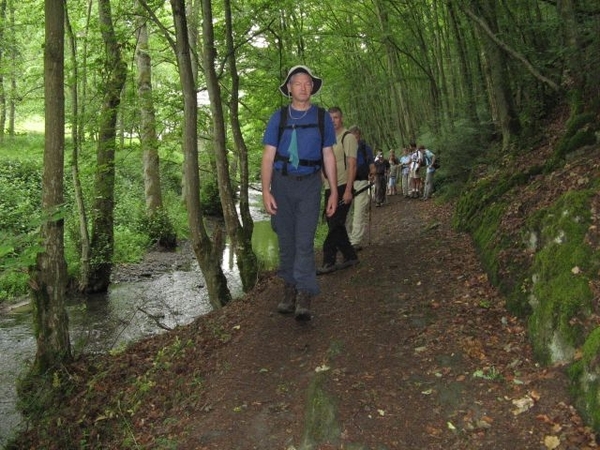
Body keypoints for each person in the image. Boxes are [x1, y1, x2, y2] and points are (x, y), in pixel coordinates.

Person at [261, 65, 338, 321]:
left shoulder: (322, 117)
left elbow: (328, 155)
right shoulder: (278, 118)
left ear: (312, 88)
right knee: (287, 242)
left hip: (310, 185)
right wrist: (265, 191)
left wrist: (334, 192)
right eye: (298, 83)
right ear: (289, 88)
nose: (303, 87)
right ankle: (289, 288)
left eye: (307, 83)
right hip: (282, 185)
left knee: (304, 242)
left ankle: (305, 292)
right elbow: (268, 156)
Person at [317, 106, 359, 275]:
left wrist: (349, 190)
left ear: (341, 118)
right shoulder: (325, 139)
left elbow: (352, 165)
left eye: (336, 117)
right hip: (330, 187)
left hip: (343, 186)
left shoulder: (347, 137)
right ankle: (350, 256)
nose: (333, 121)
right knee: (335, 224)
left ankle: (329, 260)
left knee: (335, 225)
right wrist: (324, 181)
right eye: (330, 118)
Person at [346, 125, 375, 252]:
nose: (354, 139)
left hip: (361, 182)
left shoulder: (365, 149)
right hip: (346, 183)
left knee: (359, 211)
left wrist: (372, 172)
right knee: (345, 213)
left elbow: (372, 165)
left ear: (359, 136)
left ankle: (355, 241)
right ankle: (345, 239)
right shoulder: (344, 148)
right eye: (352, 137)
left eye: (356, 136)